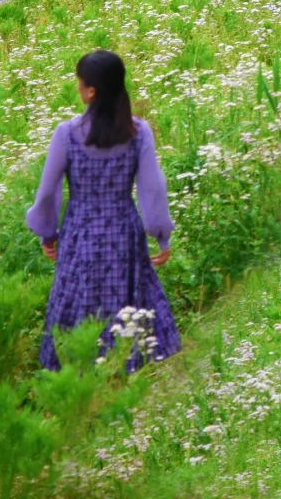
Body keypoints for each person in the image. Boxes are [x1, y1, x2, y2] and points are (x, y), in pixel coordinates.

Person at [26, 49, 181, 371]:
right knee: (125, 302)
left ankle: (79, 368)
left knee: (78, 300)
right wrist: (162, 236)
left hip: (80, 235)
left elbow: (47, 191)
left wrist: (47, 232)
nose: (78, 87)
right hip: (124, 233)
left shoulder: (67, 134)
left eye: (79, 82)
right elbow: (153, 189)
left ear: (92, 91)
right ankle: (124, 367)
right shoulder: (139, 133)